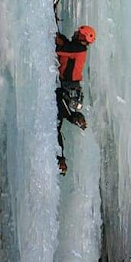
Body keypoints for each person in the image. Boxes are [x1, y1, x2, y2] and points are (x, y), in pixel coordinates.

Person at [55, 25, 96, 174]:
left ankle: (60, 160)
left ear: (83, 36)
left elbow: (59, 49)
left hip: (67, 89)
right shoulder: (76, 48)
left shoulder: (78, 49)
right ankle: (74, 118)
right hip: (68, 88)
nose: (75, 33)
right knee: (57, 118)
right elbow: (64, 45)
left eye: (78, 33)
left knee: (55, 124)